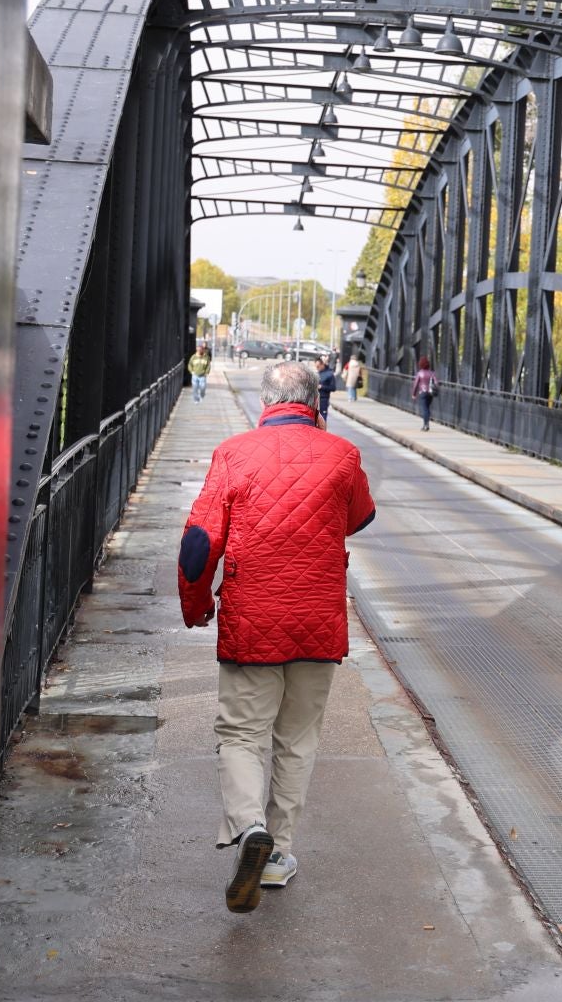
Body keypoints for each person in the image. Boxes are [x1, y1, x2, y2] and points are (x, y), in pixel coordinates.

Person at [176, 361, 376, 913]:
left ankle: (248, 831)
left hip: (253, 621)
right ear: (316, 400)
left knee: (241, 734)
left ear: (266, 402)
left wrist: (196, 609)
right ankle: (278, 854)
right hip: (317, 622)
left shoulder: (233, 454)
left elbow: (198, 543)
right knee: (297, 740)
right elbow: (361, 515)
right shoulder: (343, 455)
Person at [411, 356, 439, 431]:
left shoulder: (420, 373)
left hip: (422, 392)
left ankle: (425, 425)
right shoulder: (432, 373)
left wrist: (414, 394)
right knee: (427, 408)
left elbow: (416, 384)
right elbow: (436, 382)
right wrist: (434, 389)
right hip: (430, 393)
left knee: (425, 408)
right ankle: (427, 424)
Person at [315, 354, 338, 420]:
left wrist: (322, 387)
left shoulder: (330, 374)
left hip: (323, 399)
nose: (317, 368)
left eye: (318, 366)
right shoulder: (317, 373)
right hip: (315, 399)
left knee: (322, 417)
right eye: (316, 366)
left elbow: (333, 388)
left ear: (322, 365)